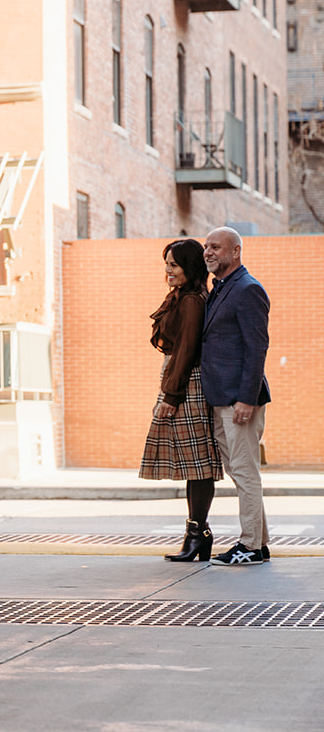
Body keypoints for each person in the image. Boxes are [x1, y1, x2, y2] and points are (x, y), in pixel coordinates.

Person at [138, 239, 221, 562]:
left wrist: (171, 396)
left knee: (198, 465)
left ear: (190, 266)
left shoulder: (191, 300)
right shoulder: (183, 297)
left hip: (188, 384)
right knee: (192, 464)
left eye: (174, 265)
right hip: (180, 379)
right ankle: (198, 533)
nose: (168, 271)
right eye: (166, 265)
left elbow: (186, 349)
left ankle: (197, 534)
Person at [200, 227, 272, 566]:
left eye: (216, 246)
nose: (208, 252)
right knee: (241, 472)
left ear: (236, 251)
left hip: (239, 400)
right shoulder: (221, 288)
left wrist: (246, 398)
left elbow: (257, 348)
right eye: (206, 247)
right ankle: (260, 543)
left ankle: (250, 546)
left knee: (245, 473)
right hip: (221, 397)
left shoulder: (247, 289)